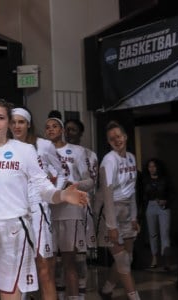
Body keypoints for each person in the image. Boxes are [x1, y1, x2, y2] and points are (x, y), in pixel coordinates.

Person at [0, 99, 88, 300]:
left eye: (0, 118)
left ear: (8, 122)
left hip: (14, 228)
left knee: (11, 289)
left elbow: (42, 187)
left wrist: (61, 194)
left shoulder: (25, 150)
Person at [10, 107, 64, 300]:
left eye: (21, 122)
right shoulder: (5, 146)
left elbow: (61, 171)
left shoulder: (43, 145)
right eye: (13, 122)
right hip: (14, 212)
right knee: (17, 269)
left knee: (44, 269)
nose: (17, 126)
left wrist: (54, 193)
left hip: (38, 210)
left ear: (29, 124)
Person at [45, 117, 96, 300]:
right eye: (47, 127)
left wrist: (72, 184)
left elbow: (90, 181)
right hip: (48, 213)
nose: (51, 130)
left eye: (55, 126)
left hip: (71, 212)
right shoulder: (39, 152)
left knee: (70, 263)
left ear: (62, 130)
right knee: (50, 265)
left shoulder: (78, 151)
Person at [98, 121, 141, 300]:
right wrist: (111, 226)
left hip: (126, 211)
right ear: (109, 142)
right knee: (122, 261)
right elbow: (107, 195)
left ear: (125, 136)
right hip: (111, 211)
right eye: (112, 138)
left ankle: (107, 288)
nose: (116, 140)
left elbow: (132, 190)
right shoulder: (109, 160)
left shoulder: (131, 157)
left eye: (119, 136)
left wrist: (134, 216)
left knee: (127, 259)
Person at [63, 118, 98, 300]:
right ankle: (63, 294)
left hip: (81, 209)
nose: (69, 133)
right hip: (60, 209)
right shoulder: (55, 152)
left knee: (80, 257)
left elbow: (92, 183)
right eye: (67, 129)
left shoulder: (89, 155)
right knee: (62, 257)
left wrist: (72, 185)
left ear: (81, 133)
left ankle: (81, 294)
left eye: (73, 130)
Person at [142, 158, 172, 270]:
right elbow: (142, 195)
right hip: (150, 205)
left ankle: (166, 260)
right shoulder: (145, 180)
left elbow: (172, 193)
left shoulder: (165, 179)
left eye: (154, 166)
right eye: (150, 166)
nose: (151, 169)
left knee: (164, 233)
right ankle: (154, 257)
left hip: (163, 207)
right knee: (152, 234)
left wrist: (166, 200)